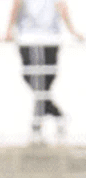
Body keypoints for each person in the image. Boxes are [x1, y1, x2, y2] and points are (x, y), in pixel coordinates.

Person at [6, 0, 83, 143]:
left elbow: (62, 6)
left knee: (44, 82)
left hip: (49, 38)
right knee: (34, 80)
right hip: (29, 37)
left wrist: (72, 31)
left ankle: (40, 123)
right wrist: (8, 30)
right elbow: (16, 5)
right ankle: (52, 117)